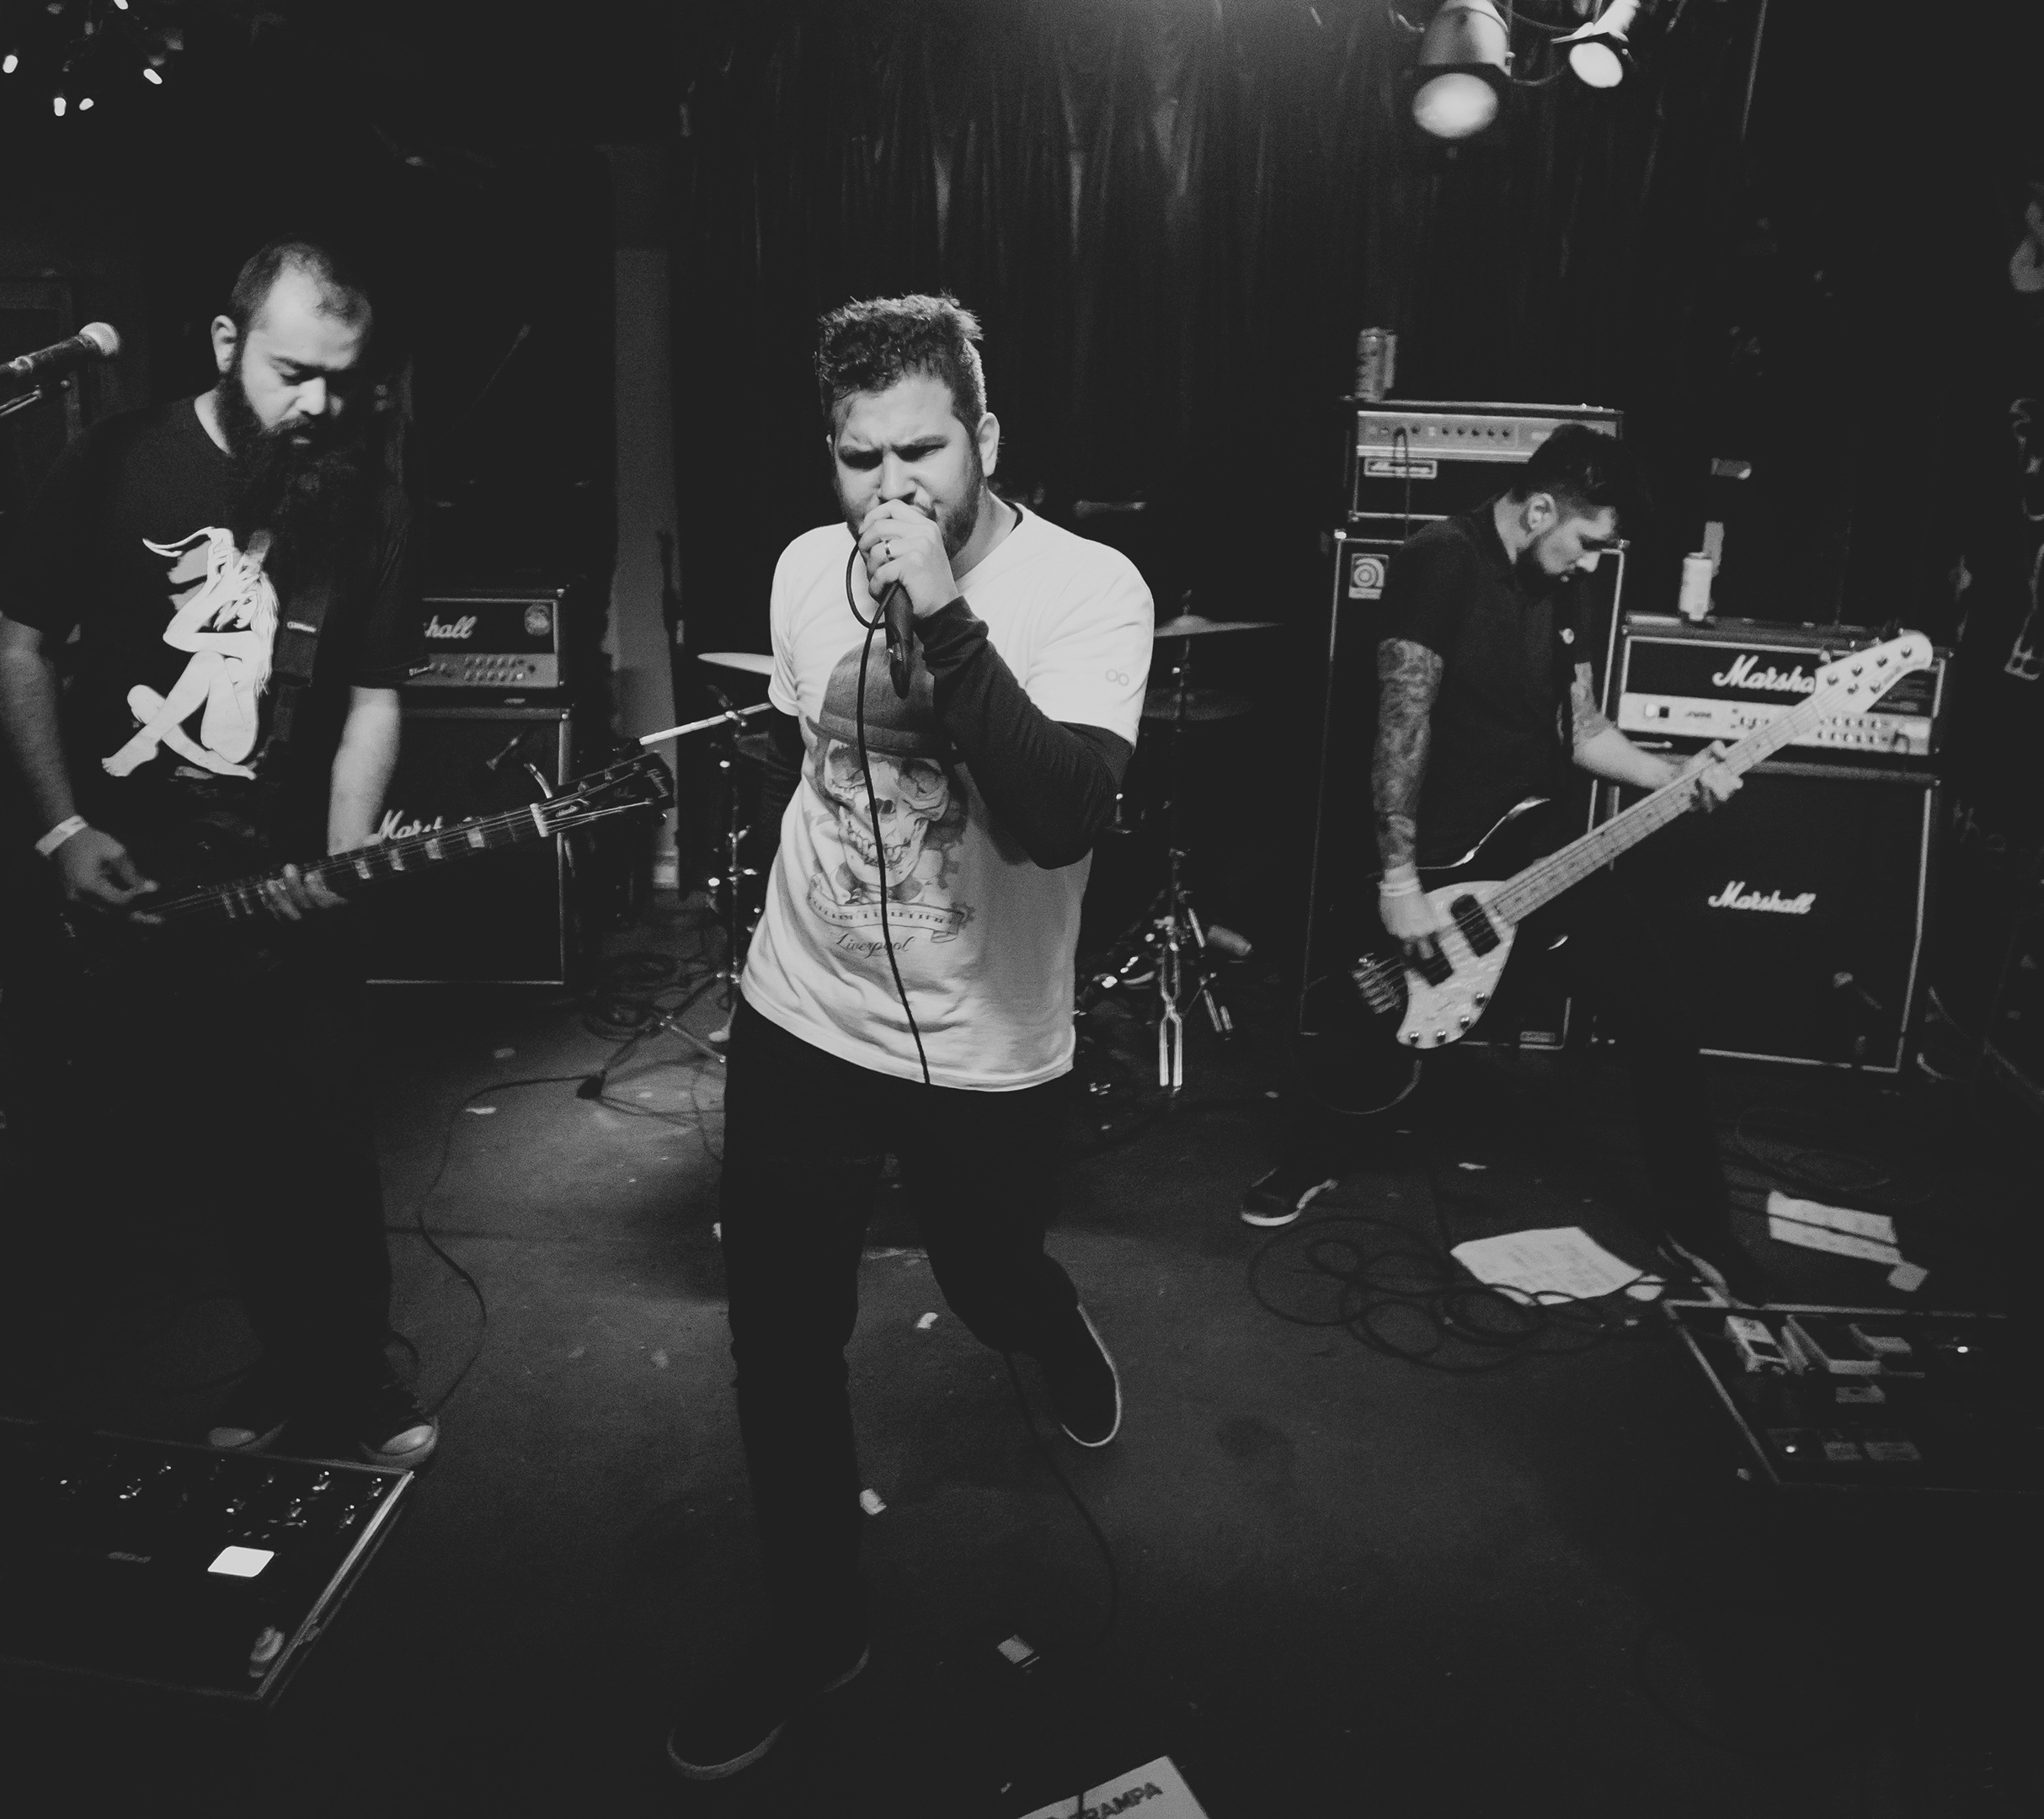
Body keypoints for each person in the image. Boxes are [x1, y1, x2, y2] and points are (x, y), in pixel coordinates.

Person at [664, 295, 1154, 1782]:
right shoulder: (801, 571)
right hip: (803, 1010)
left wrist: (945, 610)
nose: (891, 488)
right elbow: (811, 758)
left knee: (987, 1280)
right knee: (781, 1341)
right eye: (860, 457)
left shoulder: (1088, 591)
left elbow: (1061, 817)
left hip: (987, 1040)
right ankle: (818, 1627)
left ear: (985, 437)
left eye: (923, 452)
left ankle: (1044, 1319)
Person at [0, 238, 435, 1469]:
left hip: (282, 880)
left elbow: (372, 697)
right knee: (221, 1150)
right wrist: (63, 829)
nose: (321, 405)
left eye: (343, 379)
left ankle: (352, 1375)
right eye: (296, 373)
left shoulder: (367, 501)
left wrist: (341, 863)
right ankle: (283, 1361)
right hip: (133, 881)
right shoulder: (114, 463)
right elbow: (19, 643)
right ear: (228, 343)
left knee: (324, 1138)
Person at [1243, 426, 1755, 1297]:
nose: (1590, 562)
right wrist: (1400, 879)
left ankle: (1699, 1227)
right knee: (1380, 1013)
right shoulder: (1441, 559)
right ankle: (1313, 1156)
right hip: (1442, 852)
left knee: (1662, 1016)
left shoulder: (1563, 585)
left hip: (1536, 850)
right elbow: (1402, 718)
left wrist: (1671, 777)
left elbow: (1578, 726)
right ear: (1542, 508)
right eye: (1586, 540)